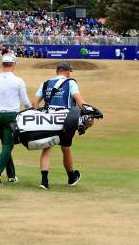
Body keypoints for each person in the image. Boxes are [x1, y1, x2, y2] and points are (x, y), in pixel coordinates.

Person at [31, 61, 91, 189]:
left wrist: (39, 116)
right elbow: (79, 101)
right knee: (66, 149)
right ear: (67, 71)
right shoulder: (71, 82)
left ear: (57, 71)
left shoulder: (45, 83)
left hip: (48, 120)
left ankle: (44, 181)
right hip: (65, 120)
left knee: (46, 149)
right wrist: (90, 112)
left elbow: (35, 101)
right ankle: (71, 177)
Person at [0, 54, 32, 186]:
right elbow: (25, 102)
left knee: (5, 144)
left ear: (2, 64)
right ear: (14, 64)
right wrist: (33, 112)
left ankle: (12, 175)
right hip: (12, 118)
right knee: (8, 145)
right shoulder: (19, 81)